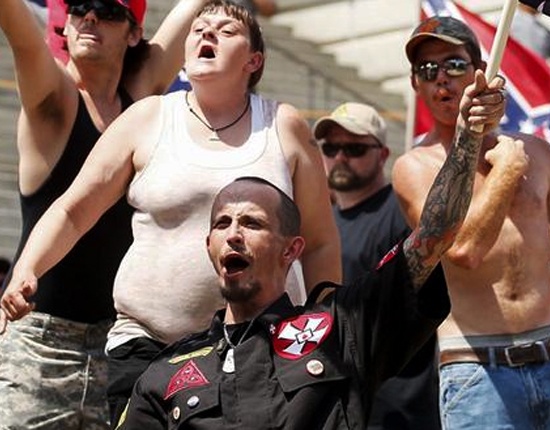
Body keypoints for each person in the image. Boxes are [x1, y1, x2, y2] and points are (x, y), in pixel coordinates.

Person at [0, 0, 341, 424]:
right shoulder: (146, 117)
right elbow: (73, 210)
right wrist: (28, 267)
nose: (207, 33)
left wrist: (325, 325)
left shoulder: (283, 126)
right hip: (145, 348)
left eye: (226, 30)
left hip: (257, 346)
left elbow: (320, 242)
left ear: (254, 60)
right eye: (199, 29)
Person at [115, 66, 506, 428]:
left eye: (252, 222)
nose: (233, 233)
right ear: (209, 247)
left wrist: (466, 138)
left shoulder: (341, 329)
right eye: (222, 223)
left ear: (291, 250)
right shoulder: (166, 373)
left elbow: (434, 234)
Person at [393, 16, 550, 429]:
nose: (441, 78)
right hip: (477, 375)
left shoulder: (536, 154)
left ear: (481, 72)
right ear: (416, 84)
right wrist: (504, 172)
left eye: (454, 64)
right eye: (427, 70)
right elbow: (464, 250)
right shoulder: (413, 168)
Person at [0, 0, 208, 426]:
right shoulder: (53, 99)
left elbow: (190, 9)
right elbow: (21, 36)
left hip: (118, 343)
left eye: (107, 9)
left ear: (134, 33)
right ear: (65, 25)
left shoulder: (140, 101)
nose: (90, 18)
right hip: (39, 341)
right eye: (79, 7)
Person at [313, 102, 440, 429]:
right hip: (339, 403)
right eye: (330, 148)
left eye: (354, 148)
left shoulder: (402, 212)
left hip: (398, 408)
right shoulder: (322, 224)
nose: (340, 157)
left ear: (383, 155)